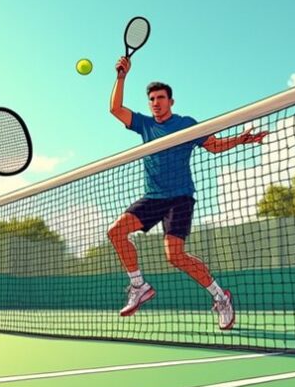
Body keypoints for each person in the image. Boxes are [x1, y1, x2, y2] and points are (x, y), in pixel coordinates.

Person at [108, 56, 267, 329]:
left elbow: (214, 146)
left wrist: (241, 140)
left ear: (171, 101)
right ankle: (139, 286)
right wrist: (121, 76)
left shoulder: (186, 124)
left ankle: (221, 297)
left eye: (161, 98)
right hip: (153, 197)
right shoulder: (145, 124)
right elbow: (115, 109)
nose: (156, 102)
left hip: (180, 197)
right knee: (115, 232)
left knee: (175, 256)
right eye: (152, 99)